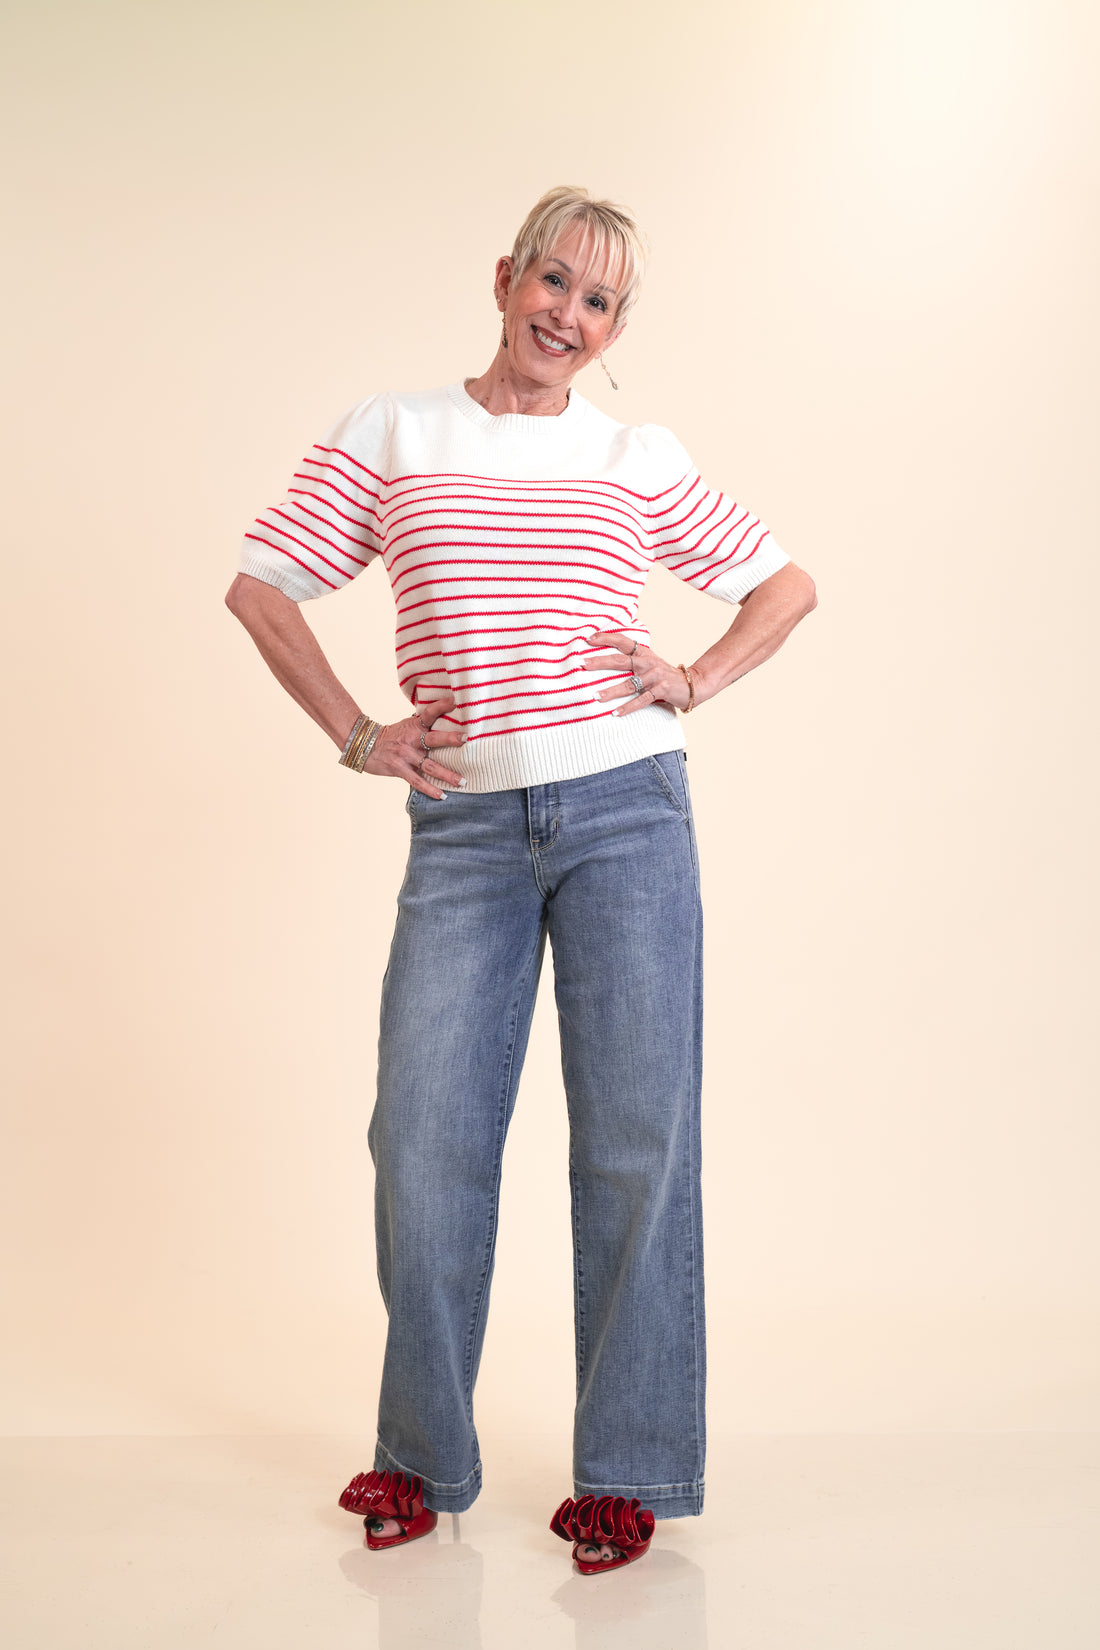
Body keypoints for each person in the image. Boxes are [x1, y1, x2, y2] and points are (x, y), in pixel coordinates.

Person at [226, 185, 817, 1574]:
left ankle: (630, 1468)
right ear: (505, 279)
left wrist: (695, 679)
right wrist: (360, 733)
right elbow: (262, 584)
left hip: (627, 814)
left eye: (598, 300)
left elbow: (783, 586)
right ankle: (420, 1452)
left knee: (637, 1143)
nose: (567, 313)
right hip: (469, 832)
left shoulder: (635, 452)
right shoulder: (395, 431)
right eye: (552, 280)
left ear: (616, 330)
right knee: (423, 1140)